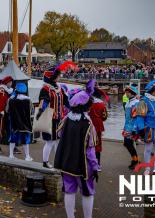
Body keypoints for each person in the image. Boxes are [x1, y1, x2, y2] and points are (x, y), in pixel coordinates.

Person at [54, 90, 99, 218]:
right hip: (82, 165)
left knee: (69, 191)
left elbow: (59, 135)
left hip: (66, 162)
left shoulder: (66, 119)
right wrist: (95, 167)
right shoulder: (88, 123)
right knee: (87, 193)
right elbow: (90, 150)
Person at [36, 62, 75, 168]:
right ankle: (45, 162)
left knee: (58, 141)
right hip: (50, 119)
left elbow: (66, 101)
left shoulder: (59, 88)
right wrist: (41, 110)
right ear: (52, 77)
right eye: (58, 75)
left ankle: (58, 161)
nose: (59, 77)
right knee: (50, 142)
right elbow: (44, 101)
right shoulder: (46, 89)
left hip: (59, 118)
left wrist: (75, 108)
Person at [6, 83, 33, 161]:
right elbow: (32, 111)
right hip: (25, 123)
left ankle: (11, 155)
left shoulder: (11, 99)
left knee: (13, 138)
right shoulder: (28, 99)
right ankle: (27, 156)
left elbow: (7, 110)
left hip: (14, 122)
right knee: (25, 139)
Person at [86, 79, 108, 170]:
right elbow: (104, 117)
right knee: (98, 145)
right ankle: (97, 164)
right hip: (98, 125)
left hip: (88, 124)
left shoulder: (87, 102)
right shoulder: (102, 104)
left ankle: (87, 163)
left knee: (88, 144)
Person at [0, 76, 14, 153]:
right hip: (1, 114)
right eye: (10, 82)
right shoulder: (0, 91)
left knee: (10, 130)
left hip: (8, 113)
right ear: (6, 83)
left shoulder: (9, 91)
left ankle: (13, 146)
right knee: (0, 130)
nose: (11, 84)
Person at [122, 85, 140, 170]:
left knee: (128, 143)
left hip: (132, 127)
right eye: (126, 92)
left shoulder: (135, 103)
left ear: (132, 93)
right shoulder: (129, 102)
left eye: (128, 92)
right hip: (127, 126)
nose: (126, 93)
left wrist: (134, 129)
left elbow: (136, 117)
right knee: (127, 143)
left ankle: (135, 161)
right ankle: (135, 159)